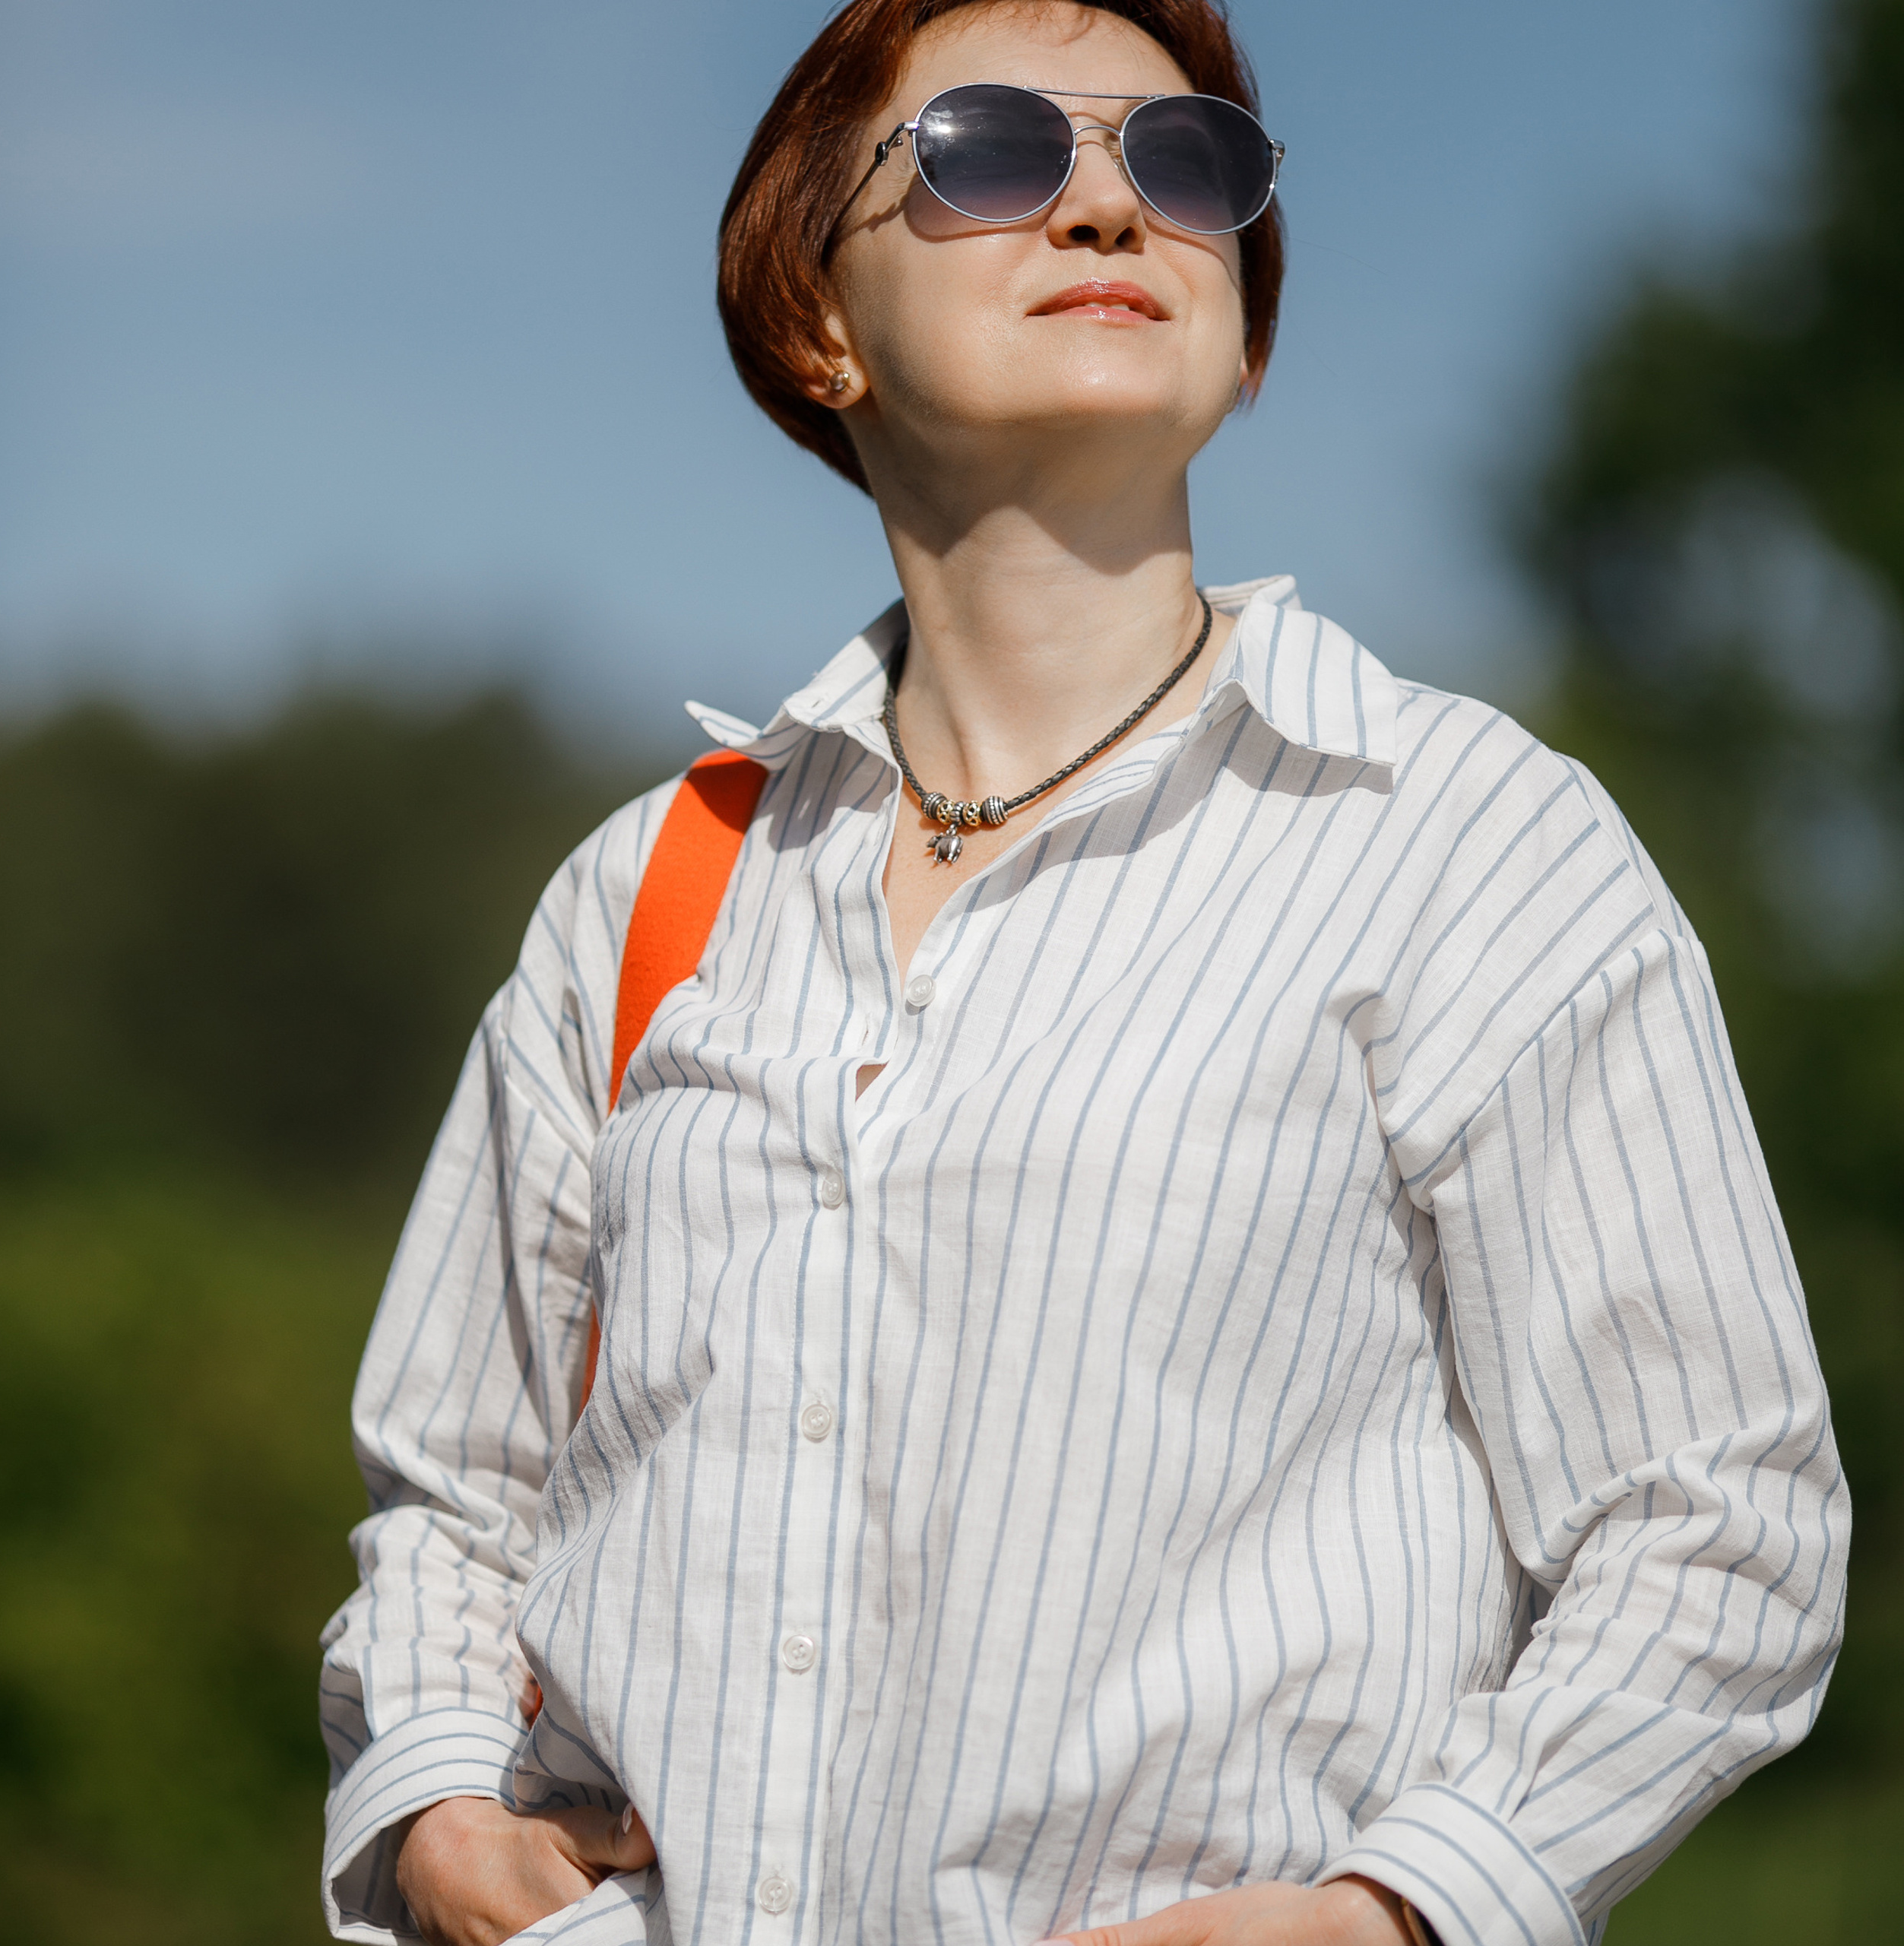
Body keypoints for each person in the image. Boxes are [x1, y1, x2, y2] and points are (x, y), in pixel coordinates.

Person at [317, 3, 1848, 1942]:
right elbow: (456, 1481)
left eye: (1185, 161)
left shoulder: (1463, 843)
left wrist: (1403, 1905)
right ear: (816, 317)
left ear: (1245, 325)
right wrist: (442, 1798)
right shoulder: (651, 890)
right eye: (990, 149)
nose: (1113, 204)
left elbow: (1714, 1522)